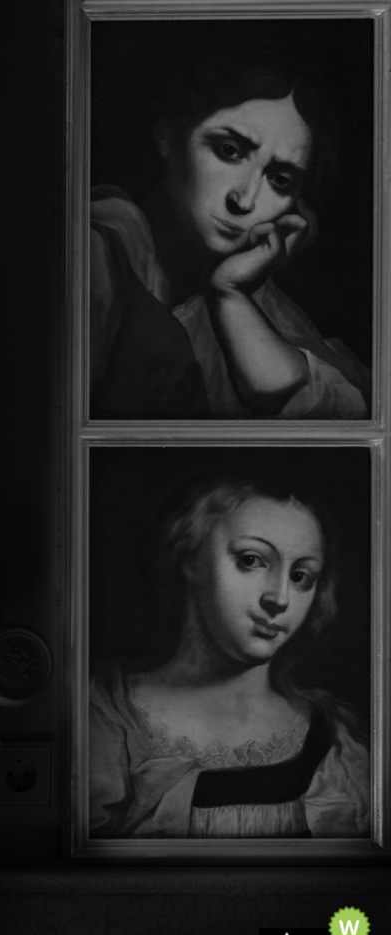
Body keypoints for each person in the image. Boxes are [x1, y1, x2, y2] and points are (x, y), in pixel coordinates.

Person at [90, 48, 369, 419]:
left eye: (280, 180)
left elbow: (346, 414)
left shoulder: (255, 295)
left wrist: (229, 293)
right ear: (167, 133)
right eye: (229, 150)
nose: (245, 199)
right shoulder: (98, 247)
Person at [89, 470, 370, 838]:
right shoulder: (102, 718)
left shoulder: (334, 738)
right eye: (252, 560)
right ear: (189, 555)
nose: (280, 598)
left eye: (302, 577)